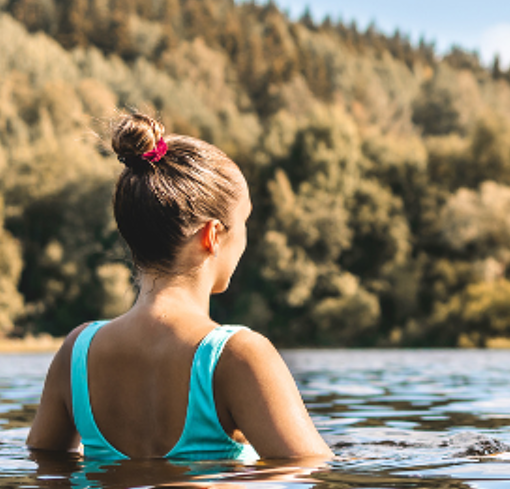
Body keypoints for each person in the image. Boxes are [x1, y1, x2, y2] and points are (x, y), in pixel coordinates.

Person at [28, 111, 332, 462]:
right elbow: (308, 476)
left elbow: (46, 468)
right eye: (244, 222)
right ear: (213, 236)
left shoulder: (76, 353)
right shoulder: (239, 357)